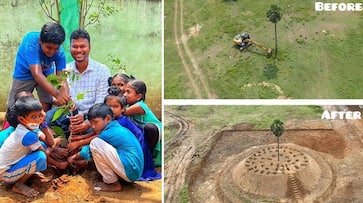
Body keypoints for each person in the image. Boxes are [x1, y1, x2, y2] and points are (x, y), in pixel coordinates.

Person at [7, 22, 71, 112]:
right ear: (40, 41)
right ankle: (9, 125)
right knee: (14, 106)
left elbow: (61, 79)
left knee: (47, 100)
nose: (52, 52)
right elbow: (37, 74)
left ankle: (41, 124)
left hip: (46, 71)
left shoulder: (60, 53)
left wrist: (65, 96)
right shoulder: (31, 42)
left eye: (55, 48)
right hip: (24, 72)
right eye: (49, 47)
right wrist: (58, 95)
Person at [105, 86, 161, 180]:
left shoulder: (121, 121)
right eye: (109, 106)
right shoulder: (115, 119)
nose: (111, 110)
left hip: (139, 146)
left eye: (115, 106)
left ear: (122, 109)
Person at [88, 103, 144, 191]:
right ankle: (120, 178)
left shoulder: (108, 133)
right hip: (134, 170)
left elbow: (87, 150)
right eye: (91, 123)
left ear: (108, 119)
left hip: (131, 170)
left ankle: (113, 184)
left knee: (95, 143)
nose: (93, 126)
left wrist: (75, 157)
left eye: (95, 122)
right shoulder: (116, 128)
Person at [0, 97, 47, 198]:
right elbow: (44, 152)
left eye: (40, 115)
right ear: (22, 119)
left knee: (41, 146)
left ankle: (24, 175)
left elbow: (43, 141)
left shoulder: (24, 128)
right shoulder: (27, 135)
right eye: (33, 117)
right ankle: (19, 184)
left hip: (10, 166)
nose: (38, 119)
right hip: (5, 173)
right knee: (41, 156)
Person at [123, 80, 161, 151]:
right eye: (124, 92)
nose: (124, 95)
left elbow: (123, 112)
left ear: (138, 96)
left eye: (128, 92)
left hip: (155, 132)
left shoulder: (139, 106)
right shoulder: (129, 105)